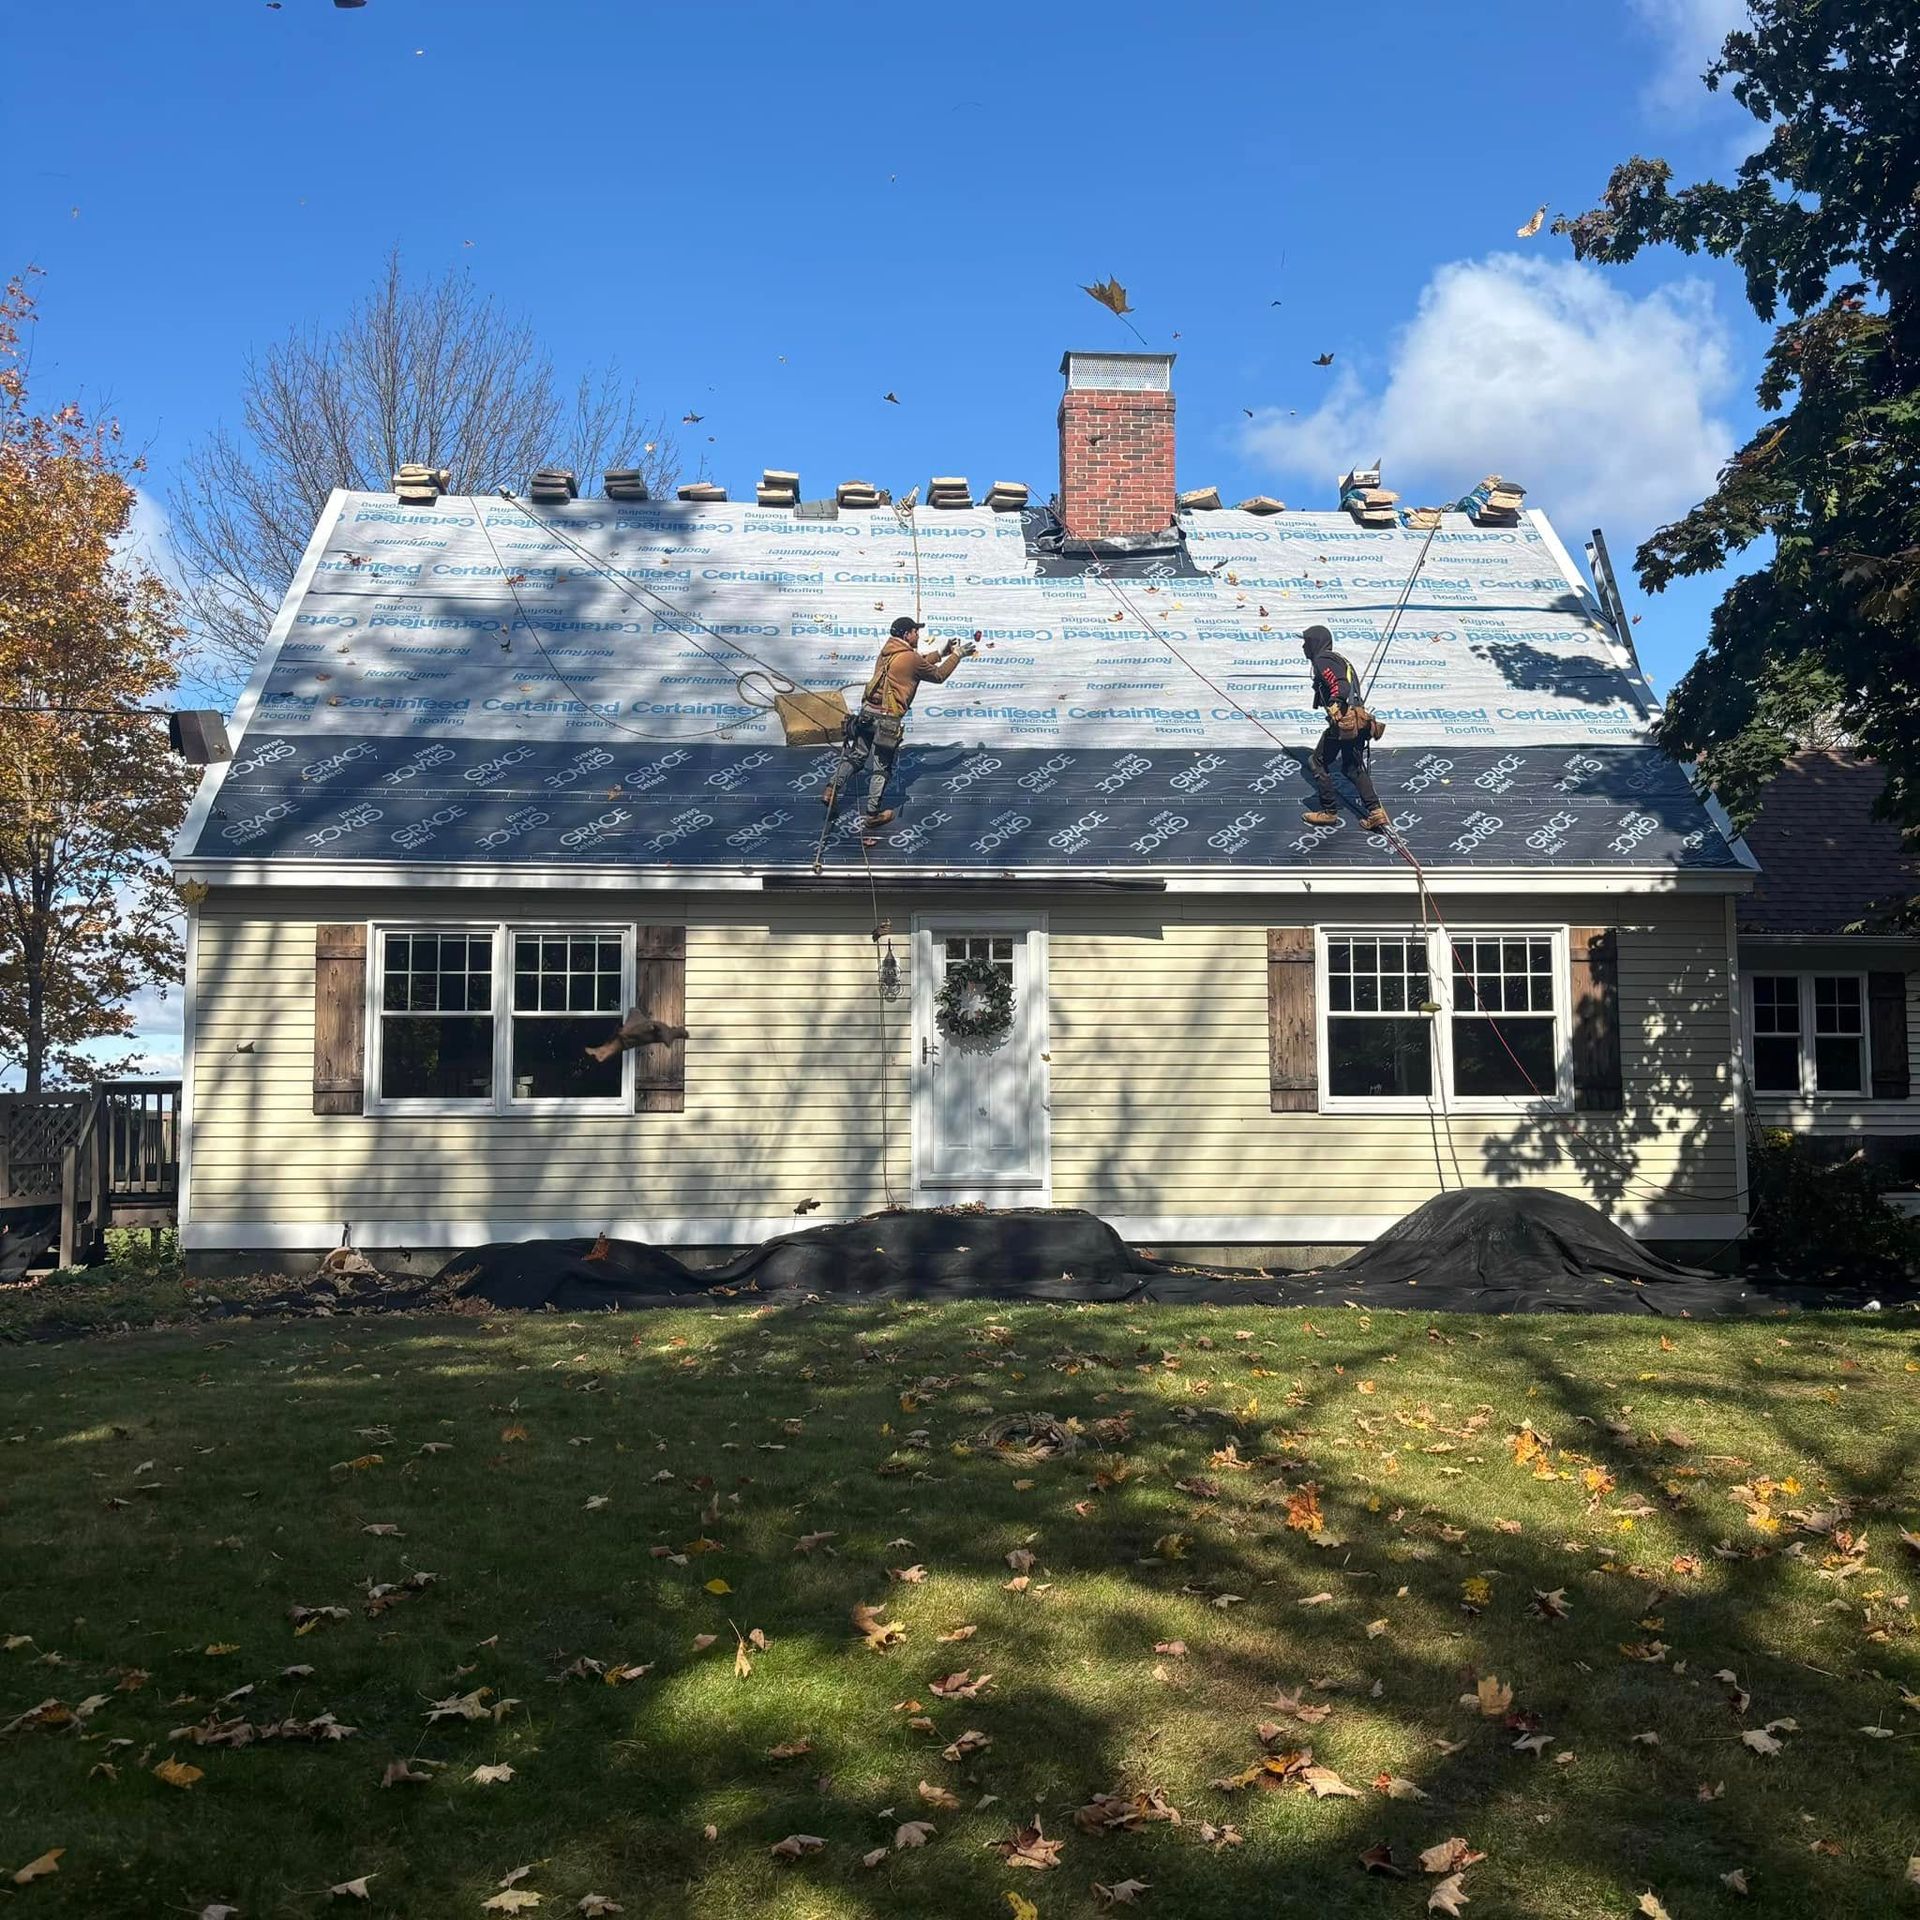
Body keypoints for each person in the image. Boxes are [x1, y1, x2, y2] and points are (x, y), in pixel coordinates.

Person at [824, 616, 977, 827]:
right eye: (915, 631)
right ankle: (872, 814)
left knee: (857, 755)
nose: (918, 635)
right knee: (882, 766)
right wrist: (957, 655)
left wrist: (941, 652)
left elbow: (916, 662)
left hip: (866, 713)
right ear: (906, 634)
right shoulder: (910, 658)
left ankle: (831, 788)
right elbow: (938, 675)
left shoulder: (888, 651)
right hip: (886, 719)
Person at [1301, 624, 1389, 830]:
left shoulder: (1322, 659)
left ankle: (1329, 812)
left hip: (1345, 723)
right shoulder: (1338, 659)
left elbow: (1340, 685)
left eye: (1306, 642)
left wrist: (1335, 702)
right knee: (1352, 767)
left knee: (1317, 762)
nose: (1304, 647)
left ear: (1315, 643)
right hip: (1359, 721)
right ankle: (1376, 812)